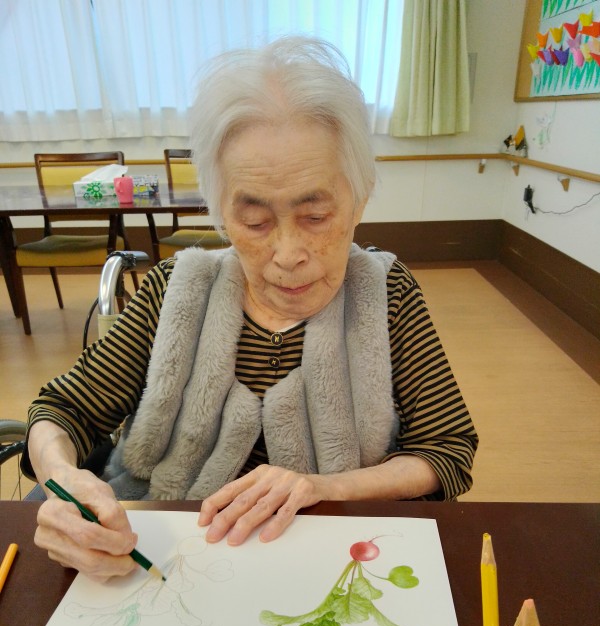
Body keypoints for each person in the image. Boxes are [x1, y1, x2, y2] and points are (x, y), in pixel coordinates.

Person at [24, 36, 478, 581]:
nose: (287, 255)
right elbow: (63, 411)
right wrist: (64, 482)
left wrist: (324, 486)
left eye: (316, 216)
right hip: (165, 561)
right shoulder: (175, 291)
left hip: (332, 564)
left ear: (359, 199)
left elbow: (446, 451)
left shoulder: (387, 294)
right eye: (255, 223)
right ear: (220, 213)